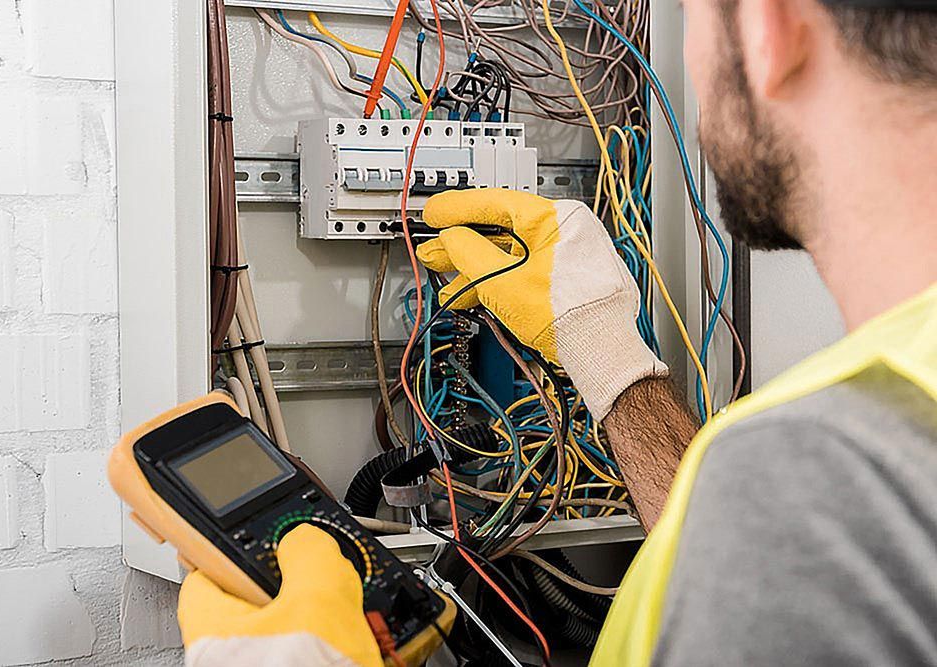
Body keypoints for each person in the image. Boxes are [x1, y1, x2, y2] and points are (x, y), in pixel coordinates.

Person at [176, 0, 937, 662]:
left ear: (772, 26)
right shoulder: (859, 451)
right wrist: (606, 349)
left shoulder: (820, 478)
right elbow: (727, 560)